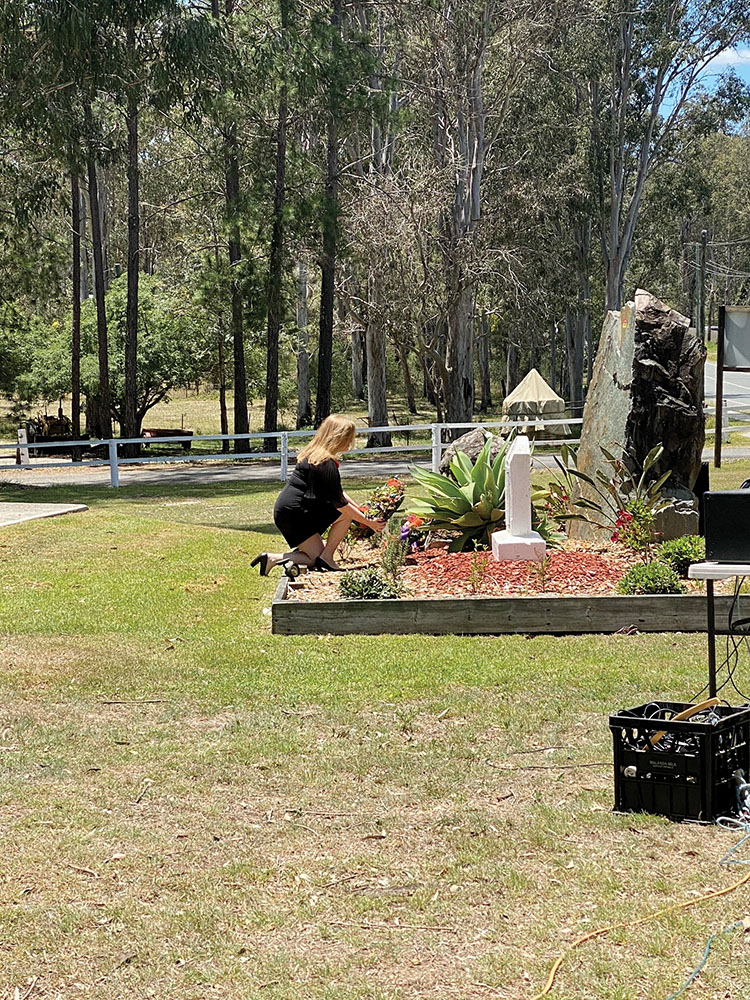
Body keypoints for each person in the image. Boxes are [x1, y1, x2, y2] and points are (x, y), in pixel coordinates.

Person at [251, 414, 385, 575]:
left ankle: (272, 559)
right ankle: (325, 558)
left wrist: (361, 512)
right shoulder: (324, 463)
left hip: (292, 511)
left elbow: (337, 493)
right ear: (337, 437)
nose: (350, 442)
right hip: (295, 514)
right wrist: (368, 522)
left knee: (316, 556)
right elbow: (340, 504)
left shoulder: (316, 456)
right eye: (348, 437)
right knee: (318, 555)